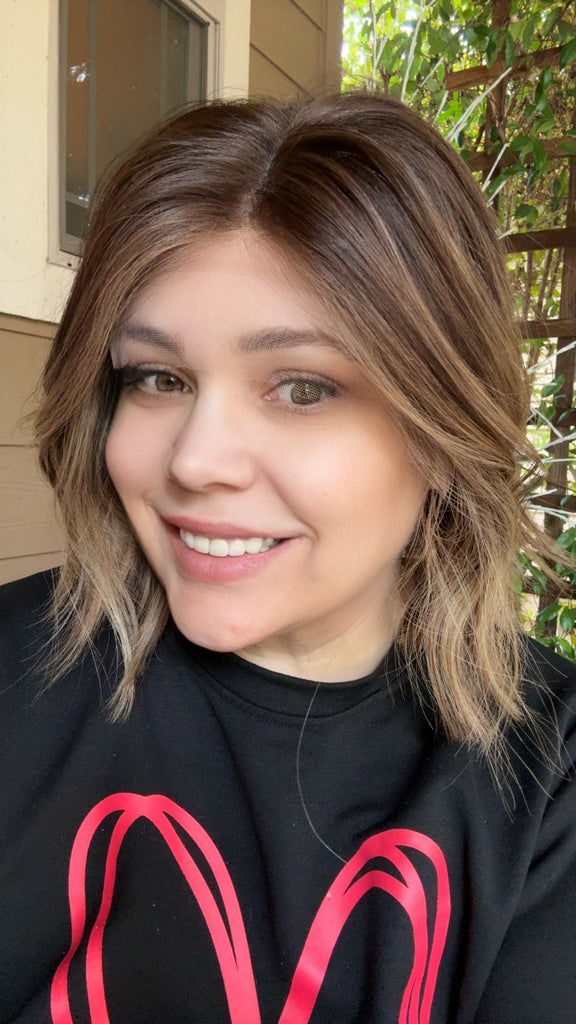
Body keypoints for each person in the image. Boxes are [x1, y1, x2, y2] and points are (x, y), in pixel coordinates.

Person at [1, 92, 575, 1024]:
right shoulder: (12, 679)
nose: (195, 461)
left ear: (444, 430)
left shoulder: (549, 778)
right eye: (158, 378)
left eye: (302, 388)